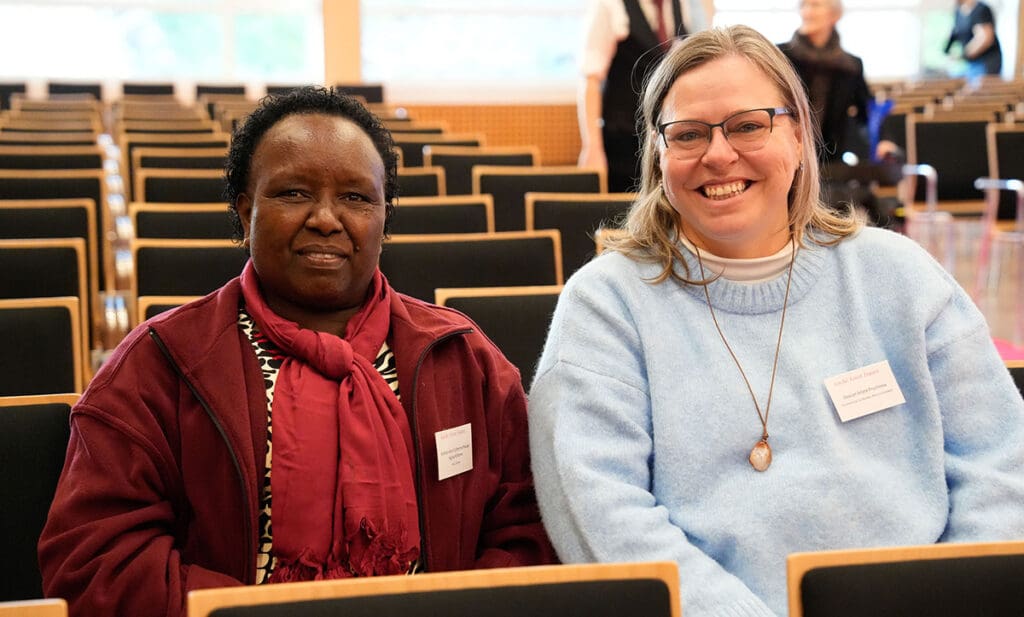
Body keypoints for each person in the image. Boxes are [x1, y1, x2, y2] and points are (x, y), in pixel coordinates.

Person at [529, 25, 1024, 617]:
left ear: (797, 135)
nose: (718, 154)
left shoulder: (897, 275)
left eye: (747, 125)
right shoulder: (606, 306)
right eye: (687, 134)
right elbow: (602, 517)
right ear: (660, 157)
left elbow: (1001, 461)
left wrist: (960, 595)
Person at [38, 87, 556, 617]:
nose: (327, 219)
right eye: (293, 194)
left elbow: (529, 530)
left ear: (384, 219)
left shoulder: (463, 359)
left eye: (357, 197)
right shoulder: (160, 363)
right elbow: (97, 558)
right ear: (245, 212)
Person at [577, 0, 713, 193]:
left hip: (670, 143)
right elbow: (591, 80)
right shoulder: (610, 6)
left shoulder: (684, 5)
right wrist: (592, 148)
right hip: (622, 143)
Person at [778, 0, 869, 164]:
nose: (807, 12)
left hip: (832, 161)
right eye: (804, 6)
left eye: (815, 5)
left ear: (835, 15)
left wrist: (884, 141)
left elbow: (867, 112)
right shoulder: (781, 56)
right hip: (788, 156)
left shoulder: (850, 65)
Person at [944, 0, 1002, 81]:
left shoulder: (981, 9)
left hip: (985, 63)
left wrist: (964, 55)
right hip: (970, 64)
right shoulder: (958, 11)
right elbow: (956, 31)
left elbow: (985, 39)